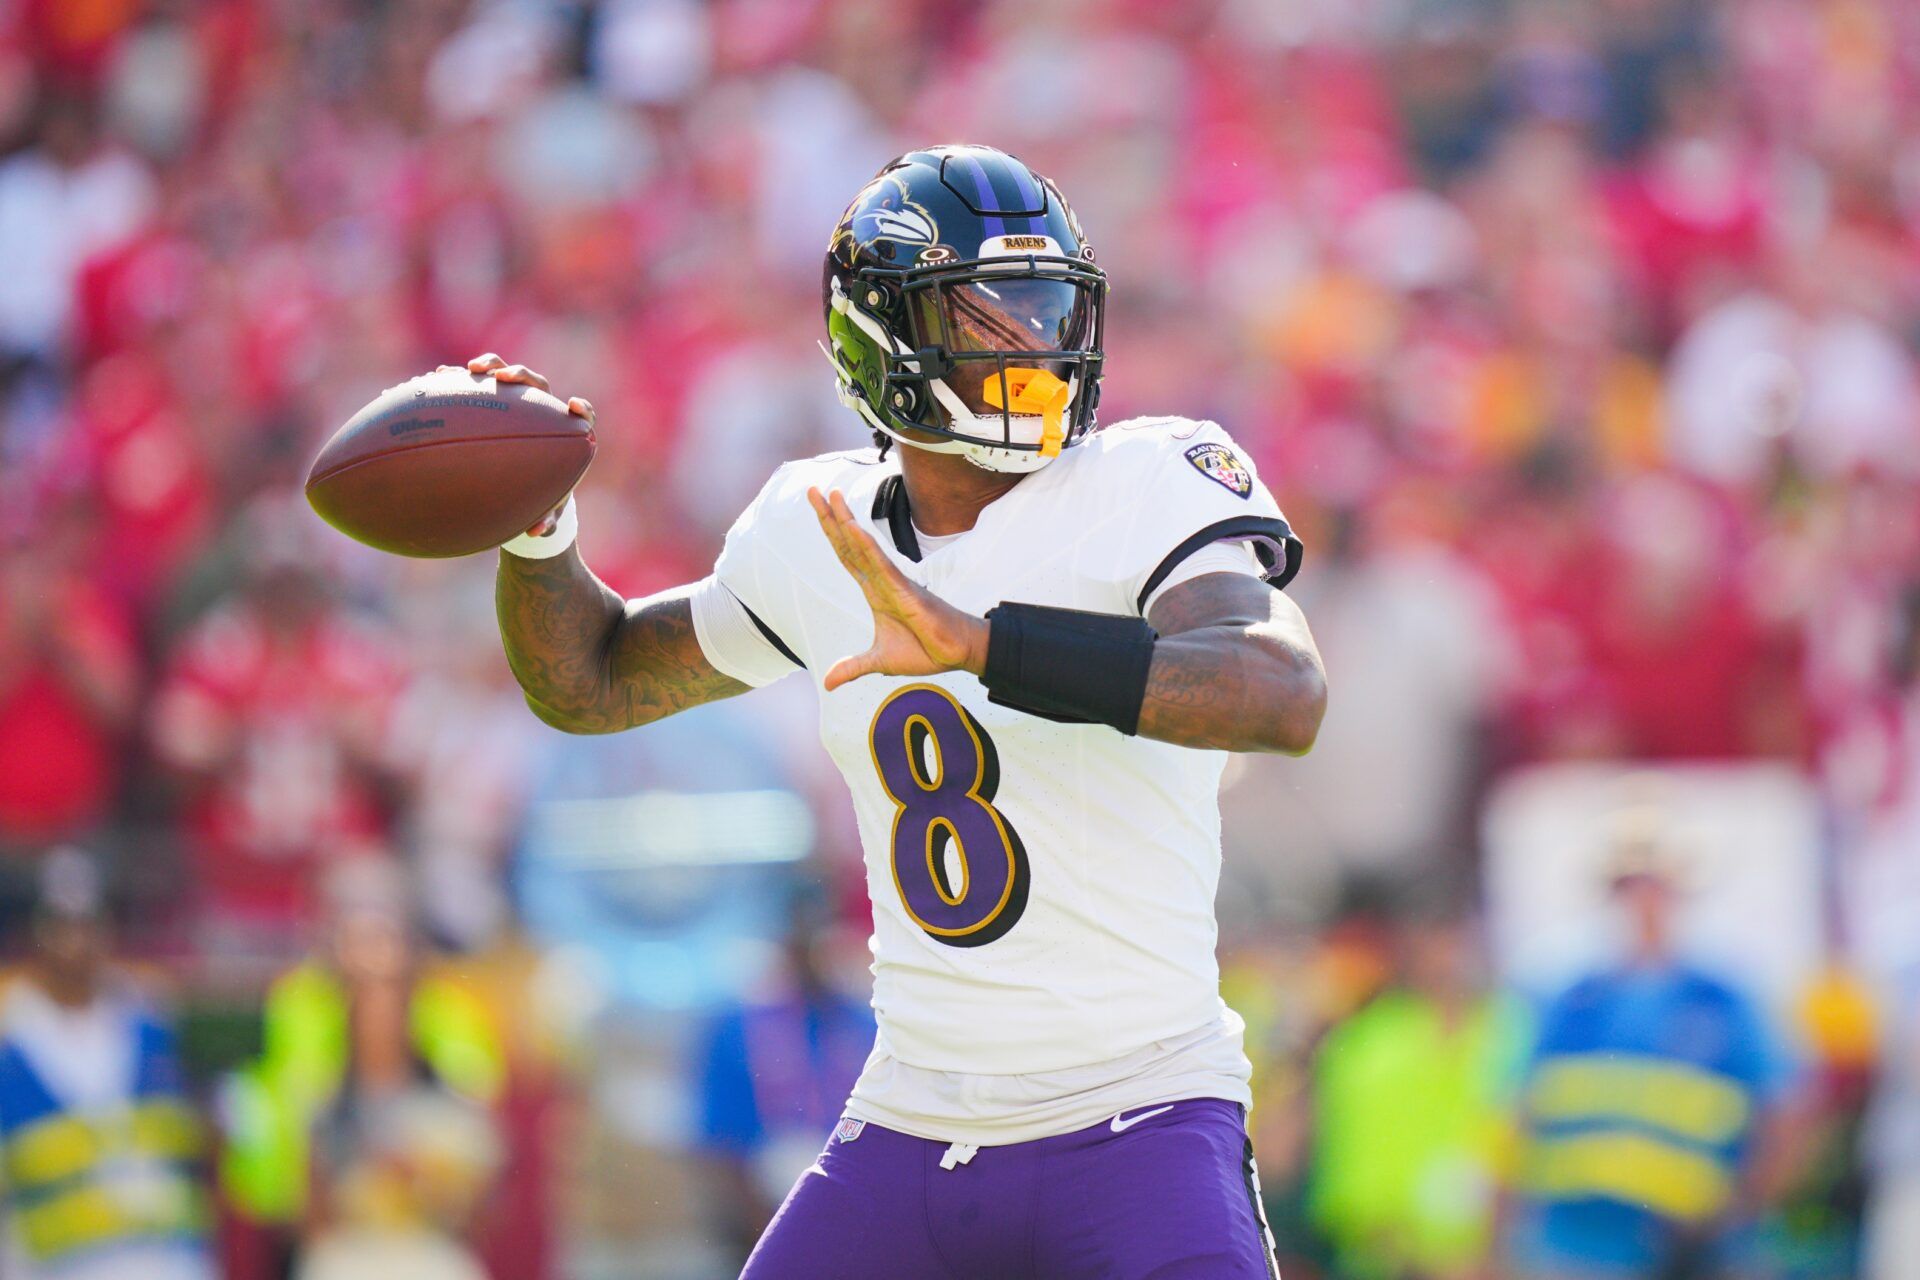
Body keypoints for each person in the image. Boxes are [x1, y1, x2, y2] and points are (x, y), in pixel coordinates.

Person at [475, 144, 1327, 1278]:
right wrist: (538, 527)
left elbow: (1279, 690)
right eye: (992, 314)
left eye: (1047, 304)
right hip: (914, 1120)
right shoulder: (817, 526)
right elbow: (592, 679)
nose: (1036, 342)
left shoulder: (1151, 474)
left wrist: (988, 646)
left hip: (1145, 1109)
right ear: (882, 338)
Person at [1507, 822, 1791, 1280]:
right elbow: (1520, 1116)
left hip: (1696, 1253)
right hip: (1576, 1247)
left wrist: (1739, 1209)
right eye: (1630, 890)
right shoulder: (1570, 1001)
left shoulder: (1722, 1002)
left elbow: (1782, 1117)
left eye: (1655, 888)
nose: (1643, 904)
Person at [0, 850, 214, 1280]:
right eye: (59, 926)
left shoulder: (160, 1031)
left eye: (88, 923)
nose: (76, 941)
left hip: (172, 1265)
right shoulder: (10, 1049)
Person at [1309, 900, 1527, 1280]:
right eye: (1438, 946)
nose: (1450, 962)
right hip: (1393, 1262)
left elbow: (1521, 1140)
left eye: (1458, 946)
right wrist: (1416, 1257)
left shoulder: (1508, 1034)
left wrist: (1493, 1251)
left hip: (1494, 1257)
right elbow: (1353, 1170)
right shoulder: (1368, 1045)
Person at [694, 886, 876, 1260]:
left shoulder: (869, 1025)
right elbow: (720, 1141)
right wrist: (765, 1234)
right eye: (800, 936)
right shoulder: (737, 1027)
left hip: (860, 1215)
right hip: (764, 1213)